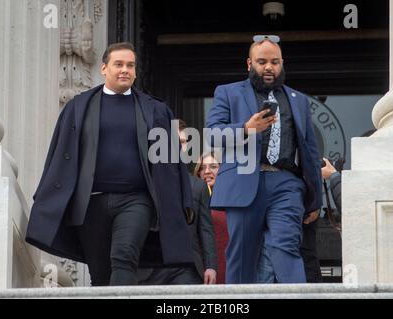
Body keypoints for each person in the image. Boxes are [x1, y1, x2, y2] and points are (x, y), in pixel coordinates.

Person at [25, 42, 195, 286]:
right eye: (119, 64)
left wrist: (184, 201)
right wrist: (46, 196)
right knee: (100, 272)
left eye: (130, 65)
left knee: (124, 258)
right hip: (90, 202)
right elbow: (59, 154)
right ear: (104, 68)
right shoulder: (77, 108)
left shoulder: (156, 110)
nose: (125, 70)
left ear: (136, 72)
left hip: (137, 200)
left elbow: (173, 162)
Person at [206, 35, 322, 284]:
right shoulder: (228, 93)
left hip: (286, 184)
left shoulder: (298, 100)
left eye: (275, 62)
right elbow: (212, 134)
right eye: (262, 61)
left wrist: (315, 200)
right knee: (242, 255)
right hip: (244, 182)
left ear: (282, 63)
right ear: (249, 64)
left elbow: (310, 151)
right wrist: (246, 129)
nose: (269, 67)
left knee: (286, 245)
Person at [137, 120, 218, 285]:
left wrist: (211, 266)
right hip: (150, 266)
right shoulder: (144, 182)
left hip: (187, 266)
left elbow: (206, 230)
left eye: (183, 142)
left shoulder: (199, 186)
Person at [194, 151, 229, 284]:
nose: (207, 171)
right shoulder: (192, 201)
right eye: (202, 168)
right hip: (204, 271)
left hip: (229, 269)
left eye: (213, 167)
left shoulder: (234, 201)